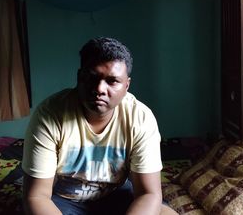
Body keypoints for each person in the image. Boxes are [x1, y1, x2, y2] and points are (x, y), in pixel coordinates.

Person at [22, 37, 177, 215]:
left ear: (127, 85)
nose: (100, 88)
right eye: (92, 77)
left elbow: (148, 193)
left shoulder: (140, 118)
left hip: (115, 194)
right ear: (80, 77)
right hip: (64, 200)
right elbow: (37, 196)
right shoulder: (50, 115)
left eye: (112, 81)